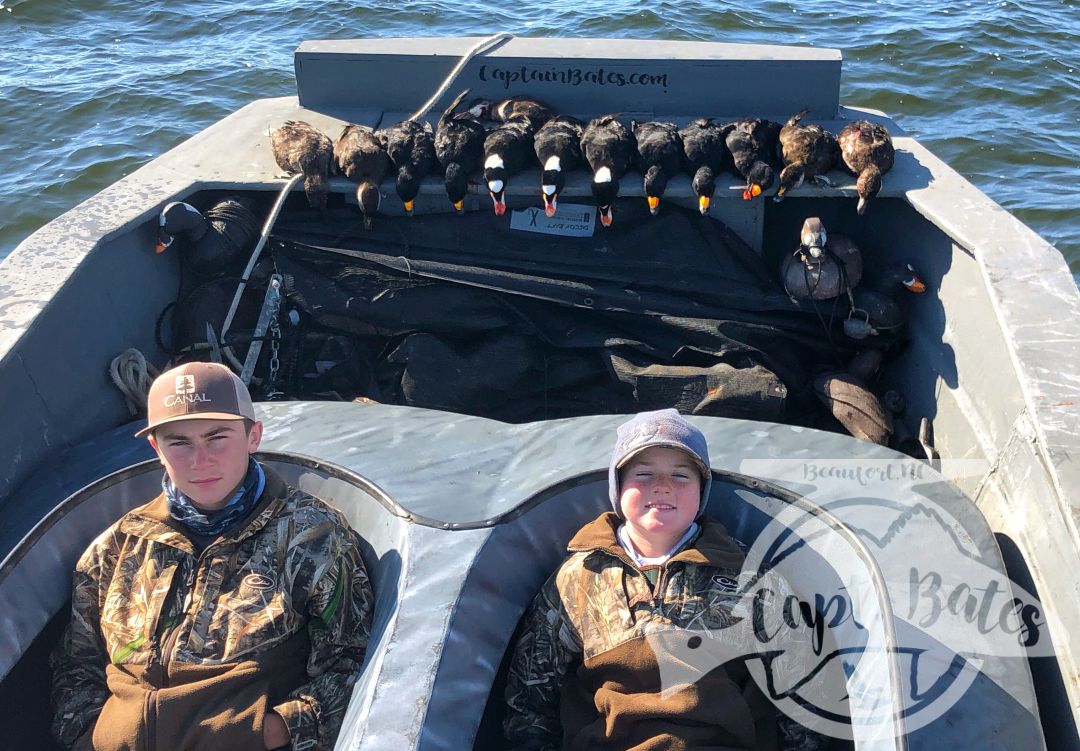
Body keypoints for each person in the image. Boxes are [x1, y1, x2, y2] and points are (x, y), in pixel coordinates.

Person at [50, 361, 373, 751]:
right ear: (156, 447)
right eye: (179, 442)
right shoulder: (117, 546)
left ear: (253, 436)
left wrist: (266, 733)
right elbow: (76, 665)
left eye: (216, 437)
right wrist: (91, 739)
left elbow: (353, 663)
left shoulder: (311, 535)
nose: (199, 461)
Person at [503, 408, 826, 751]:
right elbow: (529, 695)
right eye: (643, 474)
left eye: (681, 475)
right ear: (619, 486)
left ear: (703, 490)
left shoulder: (750, 575)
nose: (662, 486)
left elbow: (801, 689)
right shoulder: (577, 579)